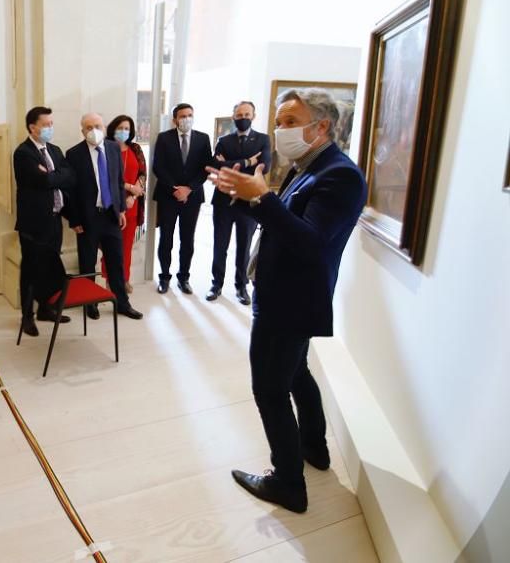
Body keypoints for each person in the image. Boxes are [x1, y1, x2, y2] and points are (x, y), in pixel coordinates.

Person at [207, 89, 367, 514]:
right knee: (296, 373)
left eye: (291, 120)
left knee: (269, 390)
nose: (281, 130)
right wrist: (245, 194)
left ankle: (288, 482)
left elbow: (311, 243)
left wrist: (261, 197)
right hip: (282, 290)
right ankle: (315, 448)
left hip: (290, 299)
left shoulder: (341, 175)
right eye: (279, 121)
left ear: (321, 127)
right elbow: (284, 221)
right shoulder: (308, 165)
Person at [64, 113, 143, 320]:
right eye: (88, 127)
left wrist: (121, 210)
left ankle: (122, 303)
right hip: (87, 219)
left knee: (116, 261)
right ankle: (90, 303)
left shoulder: (113, 148)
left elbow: (118, 181)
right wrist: (74, 220)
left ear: (104, 126)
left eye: (97, 125)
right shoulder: (74, 154)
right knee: (88, 263)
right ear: (82, 131)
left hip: (111, 216)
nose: (93, 130)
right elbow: (69, 191)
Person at [13, 106, 75, 337]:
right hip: (34, 224)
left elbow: (70, 177)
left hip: (54, 220)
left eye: (52, 124)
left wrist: (52, 176)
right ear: (33, 127)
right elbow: (42, 182)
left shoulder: (55, 150)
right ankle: (27, 317)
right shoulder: (23, 153)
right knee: (31, 270)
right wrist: (53, 177)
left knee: (51, 268)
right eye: (46, 124)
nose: (50, 128)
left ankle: (46, 309)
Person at [207, 101, 271, 305]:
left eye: (246, 114)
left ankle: (241, 286)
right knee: (220, 244)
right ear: (233, 117)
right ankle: (216, 284)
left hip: (248, 202)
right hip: (223, 201)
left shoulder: (263, 139)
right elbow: (215, 165)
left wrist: (232, 164)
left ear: (253, 116)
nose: (243, 117)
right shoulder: (224, 140)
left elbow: (265, 166)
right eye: (239, 114)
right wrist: (247, 162)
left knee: (244, 246)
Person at [152, 103, 212, 294]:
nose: (187, 118)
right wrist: (175, 189)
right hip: (168, 196)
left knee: (187, 239)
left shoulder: (203, 138)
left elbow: (205, 168)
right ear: (175, 119)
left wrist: (189, 189)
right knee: (166, 238)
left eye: (190, 115)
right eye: (183, 116)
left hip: (192, 198)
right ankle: (164, 277)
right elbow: (158, 167)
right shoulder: (164, 138)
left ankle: (184, 277)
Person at [102, 115, 147, 293]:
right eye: (120, 128)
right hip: (113, 205)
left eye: (127, 128)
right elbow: (106, 178)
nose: (123, 132)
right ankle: (109, 280)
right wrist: (128, 187)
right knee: (111, 246)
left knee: (127, 246)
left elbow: (142, 174)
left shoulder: (135, 148)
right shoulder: (106, 148)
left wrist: (134, 196)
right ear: (113, 129)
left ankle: (124, 278)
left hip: (132, 205)